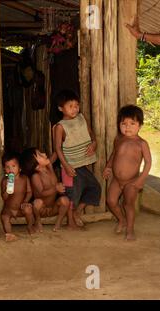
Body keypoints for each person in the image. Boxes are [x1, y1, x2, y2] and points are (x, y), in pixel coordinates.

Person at [103, 105, 151, 241]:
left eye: (132, 123)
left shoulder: (142, 144)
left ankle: (130, 229)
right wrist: (108, 166)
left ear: (140, 125)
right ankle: (122, 220)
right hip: (117, 181)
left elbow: (148, 162)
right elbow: (114, 154)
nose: (127, 127)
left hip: (132, 182)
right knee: (111, 201)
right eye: (123, 124)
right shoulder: (118, 139)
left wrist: (141, 179)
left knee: (128, 205)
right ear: (119, 124)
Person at [53, 90, 101, 227]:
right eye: (70, 106)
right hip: (69, 167)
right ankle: (71, 223)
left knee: (95, 187)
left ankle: (77, 212)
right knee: (72, 195)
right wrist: (66, 166)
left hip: (82, 164)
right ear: (61, 108)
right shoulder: (60, 127)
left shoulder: (81, 118)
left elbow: (91, 135)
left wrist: (94, 143)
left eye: (76, 105)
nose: (74, 109)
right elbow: (57, 149)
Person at [20, 148, 72, 232]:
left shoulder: (49, 167)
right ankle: (38, 221)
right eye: (40, 155)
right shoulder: (35, 177)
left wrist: (59, 143)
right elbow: (42, 193)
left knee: (65, 200)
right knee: (37, 202)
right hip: (41, 210)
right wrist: (55, 188)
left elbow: (55, 155)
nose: (44, 154)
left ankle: (58, 223)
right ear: (36, 165)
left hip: (53, 208)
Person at [0, 151, 33, 241]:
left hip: (20, 208)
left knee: (28, 209)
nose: (11, 169)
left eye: (13, 166)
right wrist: (7, 190)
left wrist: (25, 201)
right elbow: (4, 198)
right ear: (4, 169)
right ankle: (9, 234)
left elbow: (29, 192)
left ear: (20, 168)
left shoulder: (25, 179)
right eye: (7, 167)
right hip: (9, 209)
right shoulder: (4, 181)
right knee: (4, 217)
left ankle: (30, 226)